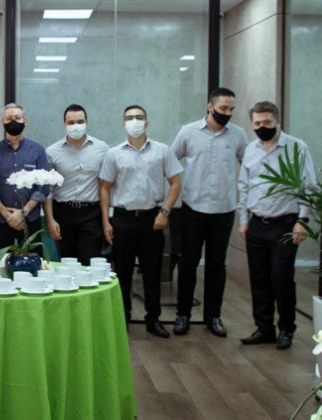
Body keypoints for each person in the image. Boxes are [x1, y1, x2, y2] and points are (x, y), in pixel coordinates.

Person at [170, 87, 248, 337]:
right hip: (192, 208)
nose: (227, 113)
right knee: (188, 263)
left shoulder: (238, 135)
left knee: (217, 265)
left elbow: (249, 166)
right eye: (223, 108)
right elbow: (170, 162)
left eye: (231, 109)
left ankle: (213, 317)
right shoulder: (188, 132)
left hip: (224, 210)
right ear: (210, 106)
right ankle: (183, 315)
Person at [99, 105, 182, 338]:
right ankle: (122, 319)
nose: (134, 121)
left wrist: (164, 212)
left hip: (152, 219)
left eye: (138, 117)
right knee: (122, 274)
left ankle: (153, 319)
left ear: (147, 122)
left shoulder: (162, 151)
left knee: (152, 273)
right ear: (123, 123)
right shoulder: (114, 154)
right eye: (129, 118)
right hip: (122, 220)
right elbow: (104, 188)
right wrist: (106, 222)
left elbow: (176, 183)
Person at [238, 101, 315, 350]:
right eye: (257, 123)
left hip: (286, 224)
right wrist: (243, 221)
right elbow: (244, 186)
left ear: (278, 121)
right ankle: (264, 328)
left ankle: (286, 329)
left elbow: (308, 186)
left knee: (281, 278)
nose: (262, 127)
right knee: (259, 278)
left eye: (267, 122)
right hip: (257, 223)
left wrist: (303, 221)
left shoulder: (297, 147)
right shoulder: (250, 149)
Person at [44, 104, 109, 265]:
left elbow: (106, 186)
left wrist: (106, 220)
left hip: (91, 214)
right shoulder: (52, 152)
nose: (76, 126)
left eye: (80, 121)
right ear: (64, 124)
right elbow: (48, 190)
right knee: (67, 264)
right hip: (62, 213)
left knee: (90, 263)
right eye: (71, 122)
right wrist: (50, 220)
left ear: (87, 122)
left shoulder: (102, 148)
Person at [0, 103, 50, 252]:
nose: (13, 121)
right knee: (0, 264)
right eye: (9, 119)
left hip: (30, 220)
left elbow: (44, 186)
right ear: (2, 123)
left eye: (17, 118)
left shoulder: (38, 150)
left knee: (32, 262)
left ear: (25, 121)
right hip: (0, 221)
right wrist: (8, 216)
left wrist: (23, 212)